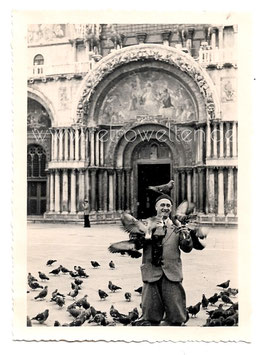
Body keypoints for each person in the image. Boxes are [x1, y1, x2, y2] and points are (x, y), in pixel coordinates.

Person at [139, 194, 193, 326]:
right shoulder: (145, 224)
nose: (165, 208)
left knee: (176, 316)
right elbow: (137, 244)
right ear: (156, 207)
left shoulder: (178, 226)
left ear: (171, 208)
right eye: (162, 205)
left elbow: (187, 248)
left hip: (171, 273)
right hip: (152, 272)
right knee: (150, 316)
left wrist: (186, 236)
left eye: (168, 205)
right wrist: (146, 233)